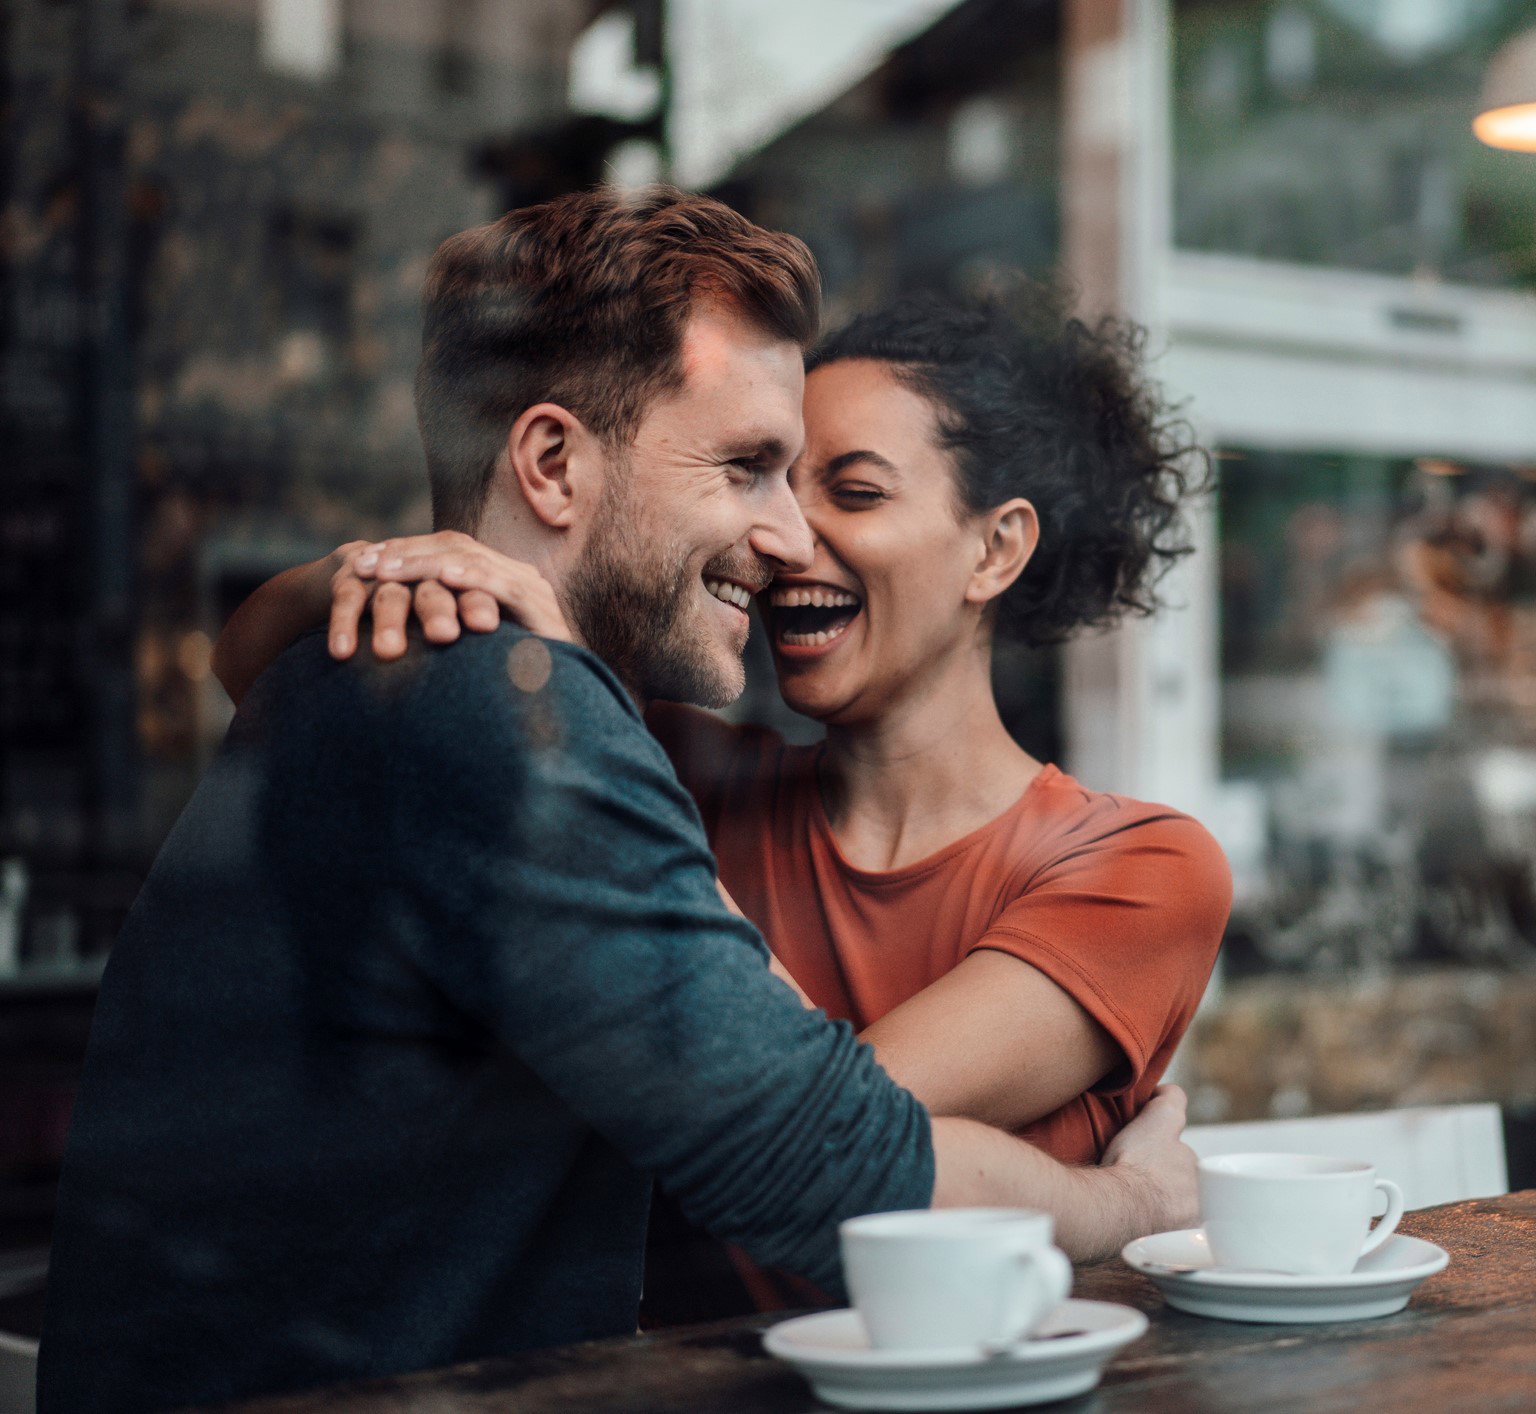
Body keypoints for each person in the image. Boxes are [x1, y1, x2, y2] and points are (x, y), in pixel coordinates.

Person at [37, 187, 1197, 1414]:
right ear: (550, 465)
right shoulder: (498, 709)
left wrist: (365, 578)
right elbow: (821, 1148)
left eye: (814, 481)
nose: (787, 533)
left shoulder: (417, 676)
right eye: (749, 469)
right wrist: (1140, 1203)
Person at [218, 287, 1232, 1174]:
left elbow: (820, 1116)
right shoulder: (683, 766)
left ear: (996, 549)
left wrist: (559, 652)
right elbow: (245, 664)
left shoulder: (1142, 868)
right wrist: (373, 571)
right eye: (771, 482)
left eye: (856, 491)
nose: (784, 537)